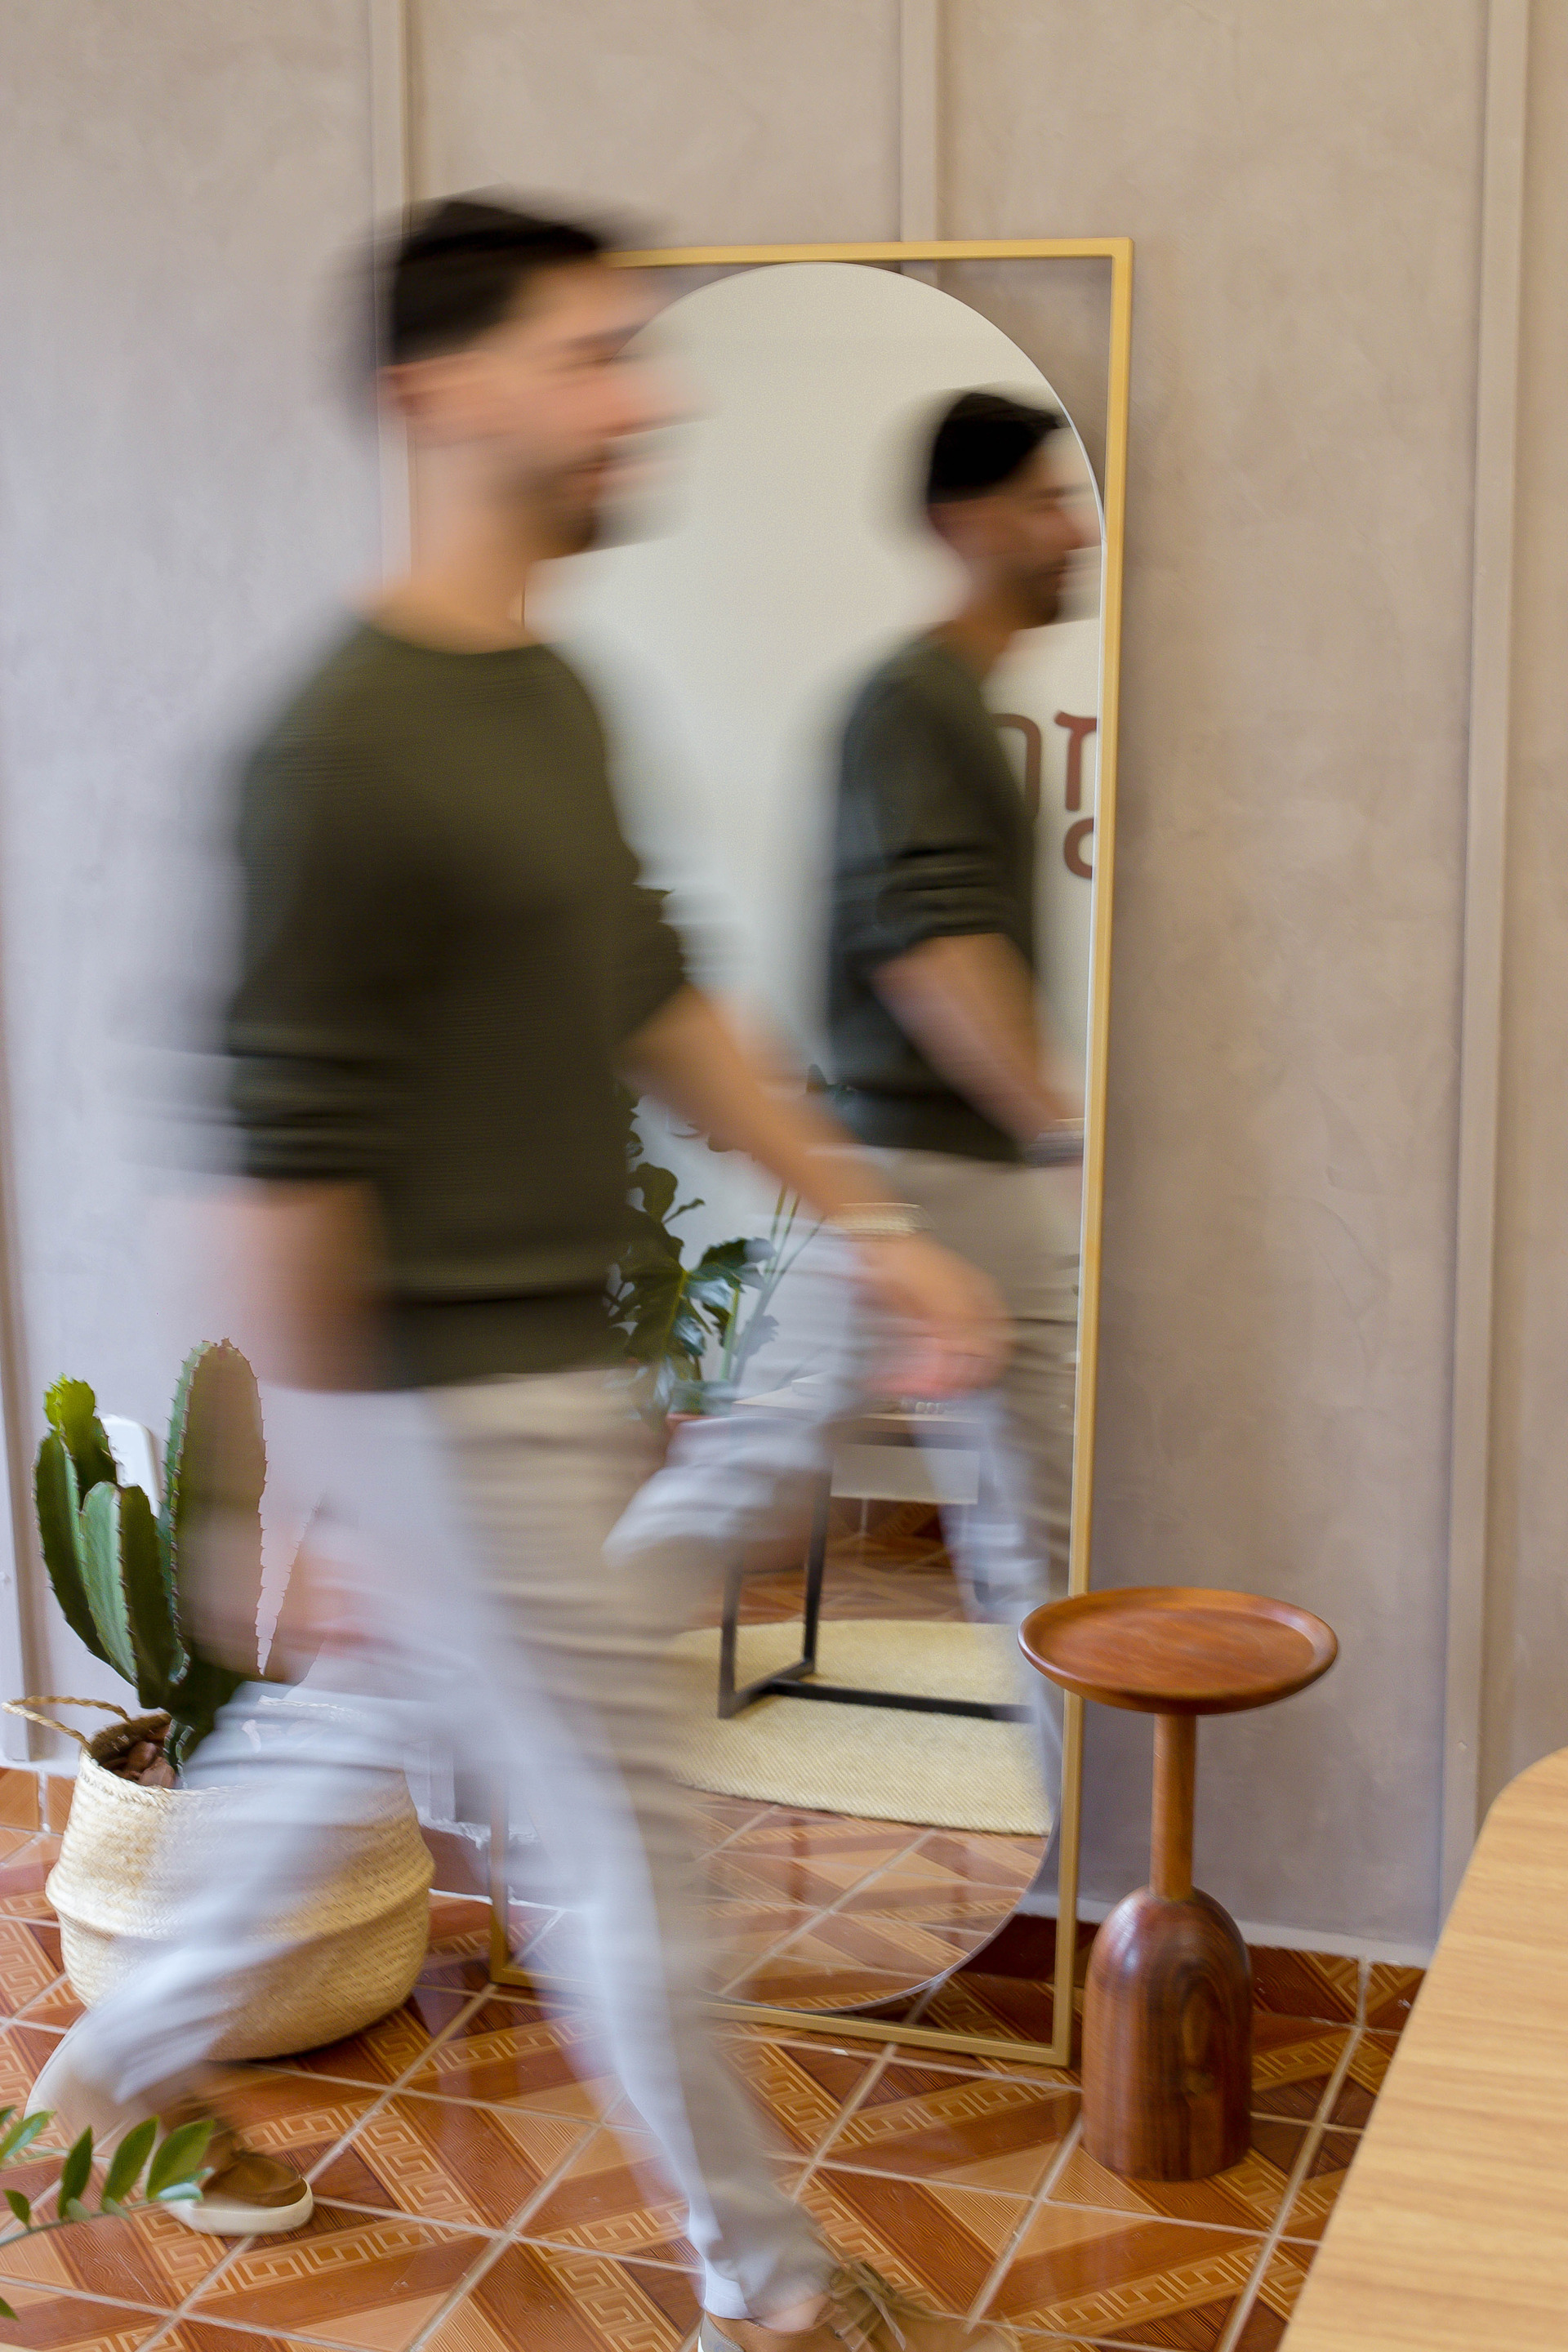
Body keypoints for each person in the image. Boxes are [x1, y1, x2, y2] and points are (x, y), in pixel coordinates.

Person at [31, 200, 1017, 2352]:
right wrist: (312, 1497)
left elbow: (661, 997)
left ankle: (88, 2103)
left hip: (548, 1376)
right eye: (585, 357)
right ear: (435, 393)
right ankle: (775, 2300)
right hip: (445, 1406)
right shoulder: (334, 750)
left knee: (348, 1750)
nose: (635, 398)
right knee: (631, 1846)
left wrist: (870, 1224)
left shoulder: (549, 692)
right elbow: (269, 1162)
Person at [612, 389, 1097, 1808]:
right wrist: (1063, 1126)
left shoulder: (947, 704)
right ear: (965, 522)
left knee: (1026, 1530)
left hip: (950, 1176)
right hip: (927, 1178)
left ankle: (1091, 1857)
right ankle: (501, 1664)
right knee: (776, 1486)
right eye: (1042, 500)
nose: (1071, 528)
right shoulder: (916, 703)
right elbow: (933, 951)